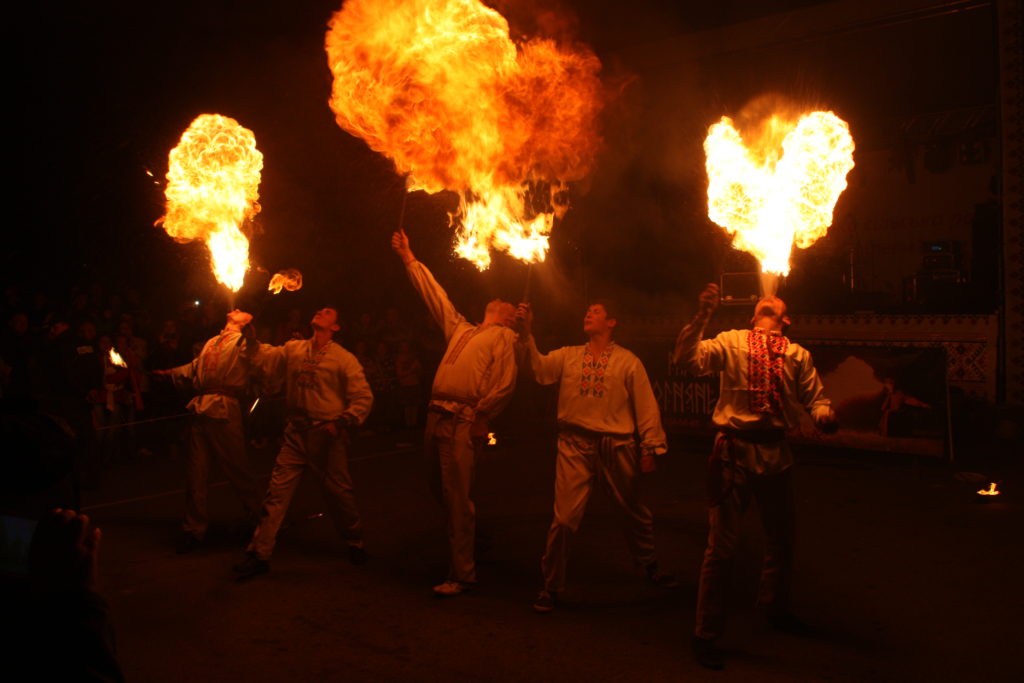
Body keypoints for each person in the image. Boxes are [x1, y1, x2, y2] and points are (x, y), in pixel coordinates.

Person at [673, 283, 837, 670]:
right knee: (722, 547)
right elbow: (688, 359)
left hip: (776, 452)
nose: (769, 298)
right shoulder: (731, 341)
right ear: (753, 315)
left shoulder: (798, 355)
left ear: (785, 317)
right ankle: (706, 633)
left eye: (777, 301)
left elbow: (816, 398)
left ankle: (774, 608)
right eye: (765, 301)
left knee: (782, 539)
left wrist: (824, 415)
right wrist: (702, 315)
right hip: (732, 452)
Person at [516, 300, 678, 613]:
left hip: (617, 446)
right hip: (574, 445)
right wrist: (526, 332)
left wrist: (650, 446)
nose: (588, 313)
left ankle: (650, 563)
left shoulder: (628, 361)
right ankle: (551, 585)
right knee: (563, 520)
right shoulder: (568, 355)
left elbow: (646, 406)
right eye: (587, 310)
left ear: (612, 322)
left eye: (597, 311)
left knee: (634, 511)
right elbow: (537, 369)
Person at [391, 229, 518, 597]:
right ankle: (469, 539)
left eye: (506, 303)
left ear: (509, 318)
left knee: (458, 496)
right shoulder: (461, 328)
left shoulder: (504, 338)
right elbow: (435, 296)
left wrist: (483, 416)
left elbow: (506, 383)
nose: (499, 299)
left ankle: (462, 573)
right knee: (440, 490)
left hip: (463, 420)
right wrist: (408, 258)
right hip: (435, 417)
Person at [233, 307, 373, 578]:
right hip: (295, 434)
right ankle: (259, 553)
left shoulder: (344, 359)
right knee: (275, 495)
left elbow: (363, 397)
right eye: (321, 309)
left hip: (326, 435)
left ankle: (354, 540)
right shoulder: (294, 349)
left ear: (336, 327)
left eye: (329, 312)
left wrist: (343, 421)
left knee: (340, 494)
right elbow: (264, 357)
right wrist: (250, 338)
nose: (322, 311)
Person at [155, 309, 264, 554]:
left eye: (242, 312)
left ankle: (262, 520)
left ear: (247, 322)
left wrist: (251, 336)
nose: (236, 310)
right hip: (201, 407)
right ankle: (194, 530)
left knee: (237, 469)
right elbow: (196, 367)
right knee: (196, 472)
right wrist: (170, 373)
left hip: (224, 408)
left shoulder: (243, 341)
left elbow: (256, 354)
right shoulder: (212, 342)